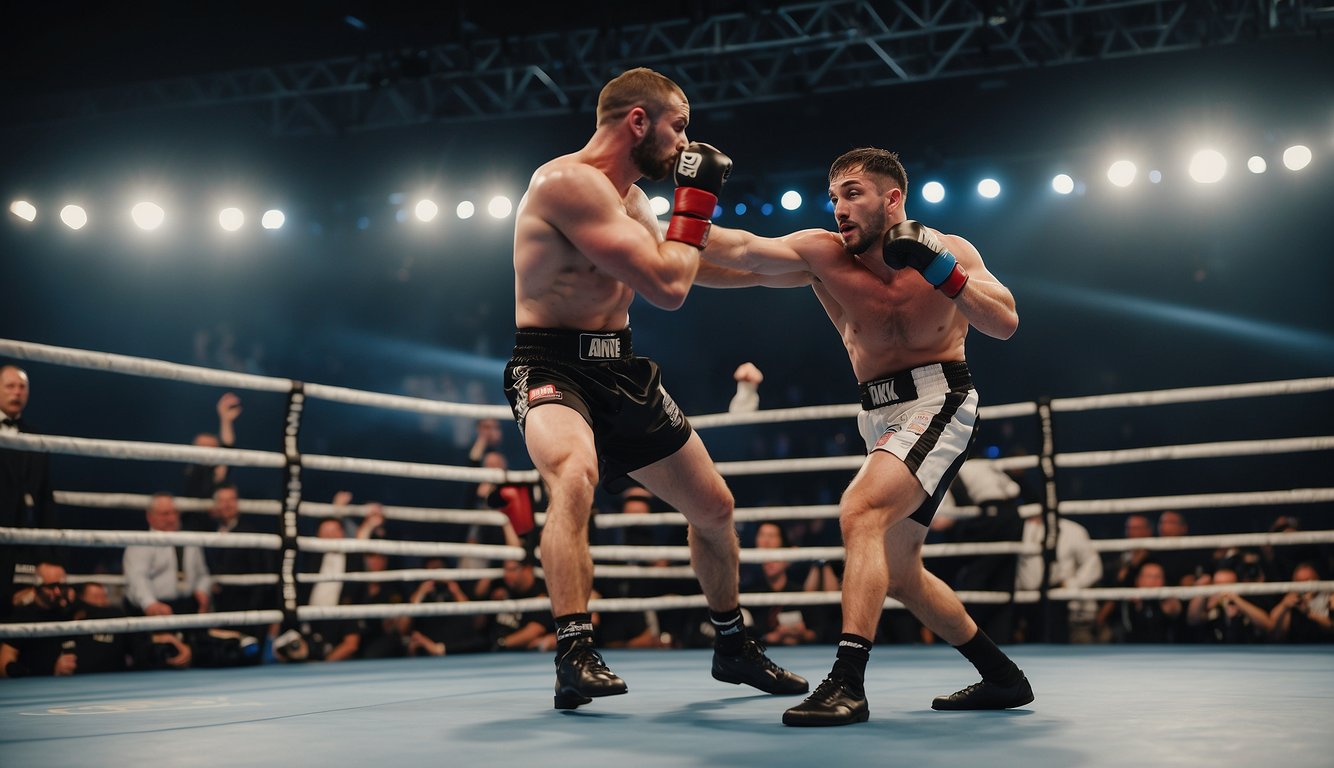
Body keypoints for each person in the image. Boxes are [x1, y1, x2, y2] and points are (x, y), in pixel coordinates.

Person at [502, 66, 807, 709]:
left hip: (622, 368)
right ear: (638, 120)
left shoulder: (633, 202)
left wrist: (817, 266)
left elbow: (708, 259)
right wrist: (697, 199)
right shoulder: (565, 183)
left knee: (715, 509)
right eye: (679, 125)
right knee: (574, 472)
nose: (686, 142)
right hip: (552, 365)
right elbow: (667, 288)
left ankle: (731, 644)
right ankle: (574, 651)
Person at [696, 147, 1029, 725]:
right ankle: (1002, 677)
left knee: (860, 512)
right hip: (876, 413)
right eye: (833, 197)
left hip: (939, 397)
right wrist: (654, 221)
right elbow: (741, 253)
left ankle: (847, 682)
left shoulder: (950, 248)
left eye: (852, 194)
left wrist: (941, 270)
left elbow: (1004, 322)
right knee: (900, 571)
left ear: (892, 199)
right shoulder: (822, 253)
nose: (838, 208)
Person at [0, 364, 61, 618]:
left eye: (22, 387)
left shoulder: (36, 437)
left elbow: (46, 497)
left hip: (26, 542)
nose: (17, 392)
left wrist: (50, 555)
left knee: (23, 610)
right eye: (10, 386)